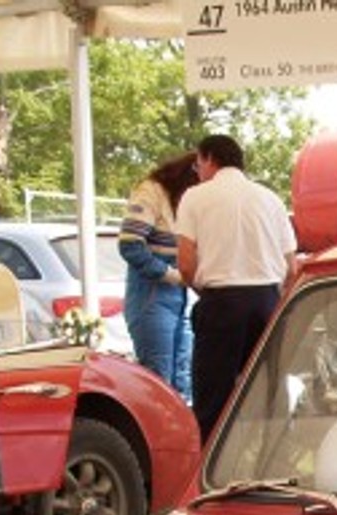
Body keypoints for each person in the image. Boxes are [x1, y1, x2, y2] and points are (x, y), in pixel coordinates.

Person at [175, 133, 297, 439]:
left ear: (208, 159)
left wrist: (207, 292)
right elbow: (291, 266)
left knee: (213, 399)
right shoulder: (270, 199)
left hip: (221, 300)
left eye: (197, 164)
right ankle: (274, 460)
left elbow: (186, 263)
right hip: (267, 300)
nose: (198, 172)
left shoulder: (196, 197)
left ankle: (210, 470)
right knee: (270, 393)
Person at [118, 153, 198, 399]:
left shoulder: (186, 203)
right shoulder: (151, 192)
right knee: (158, 376)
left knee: (182, 376)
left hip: (179, 297)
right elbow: (130, 245)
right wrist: (172, 275)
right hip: (151, 296)